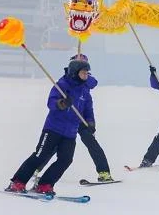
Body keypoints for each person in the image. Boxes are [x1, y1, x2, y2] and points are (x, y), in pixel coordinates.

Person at [5, 59, 94, 195]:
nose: (86, 76)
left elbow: (88, 109)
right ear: (75, 73)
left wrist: (91, 123)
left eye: (87, 73)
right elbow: (51, 102)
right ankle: (18, 182)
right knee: (40, 155)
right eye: (83, 73)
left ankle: (45, 185)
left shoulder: (84, 90)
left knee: (65, 160)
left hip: (70, 132)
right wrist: (61, 103)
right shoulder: (62, 85)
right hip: (53, 128)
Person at [33, 53, 113, 183]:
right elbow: (56, 97)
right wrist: (62, 103)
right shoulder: (66, 79)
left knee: (92, 144)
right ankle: (35, 169)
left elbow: (92, 87)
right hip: (67, 117)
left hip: (81, 117)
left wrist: (91, 122)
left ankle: (104, 172)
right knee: (53, 147)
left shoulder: (87, 79)